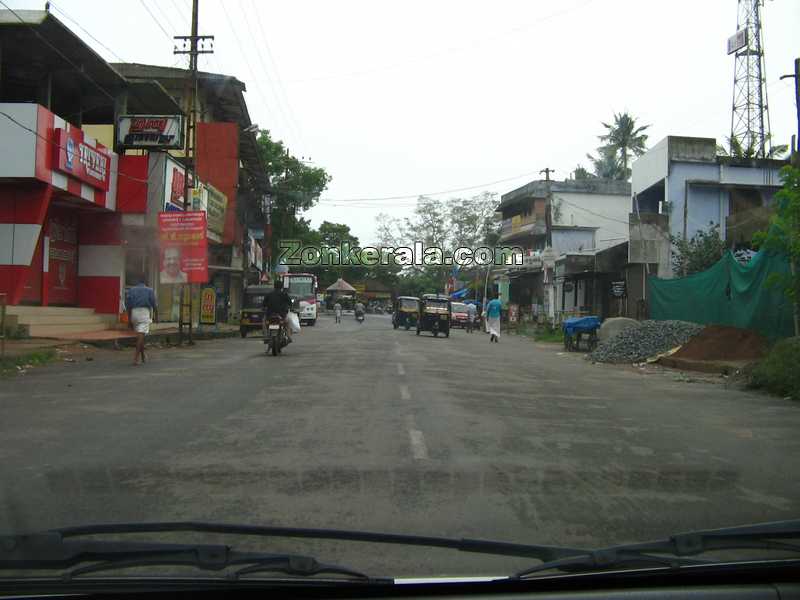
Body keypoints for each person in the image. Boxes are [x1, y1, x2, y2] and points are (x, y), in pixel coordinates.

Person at [125, 278, 158, 366]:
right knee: (141, 336)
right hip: (144, 313)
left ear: (137, 282)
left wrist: (129, 319)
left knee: (140, 336)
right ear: (145, 282)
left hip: (134, 313)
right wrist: (156, 316)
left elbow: (128, 305)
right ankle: (136, 358)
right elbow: (154, 304)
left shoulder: (131, 290)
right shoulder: (149, 290)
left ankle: (143, 356)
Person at [262, 278, 293, 343]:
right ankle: (289, 336)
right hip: (282, 315)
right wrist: (291, 308)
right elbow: (290, 303)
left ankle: (266, 336)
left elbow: (264, 304)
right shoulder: (284, 294)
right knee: (288, 322)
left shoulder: (269, 294)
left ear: (274, 286)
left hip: (270, 315)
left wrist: (264, 308)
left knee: (264, 322)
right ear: (281, 287)